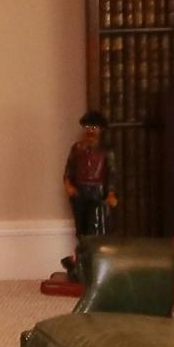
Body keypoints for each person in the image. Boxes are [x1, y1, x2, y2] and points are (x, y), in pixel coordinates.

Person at [60, 111, 116, 286]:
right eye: (88, 127)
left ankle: (96, 263)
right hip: (80, 192)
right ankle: (80, 262)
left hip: (97, 192)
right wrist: (69, 186)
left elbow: (112, 173)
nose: (90, 130)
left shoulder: (107, 151)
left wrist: (111, 193)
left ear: (101, 130)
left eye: (94, 127)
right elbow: (68, 171)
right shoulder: (76, 149)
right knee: (81, 228)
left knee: (97, 227)